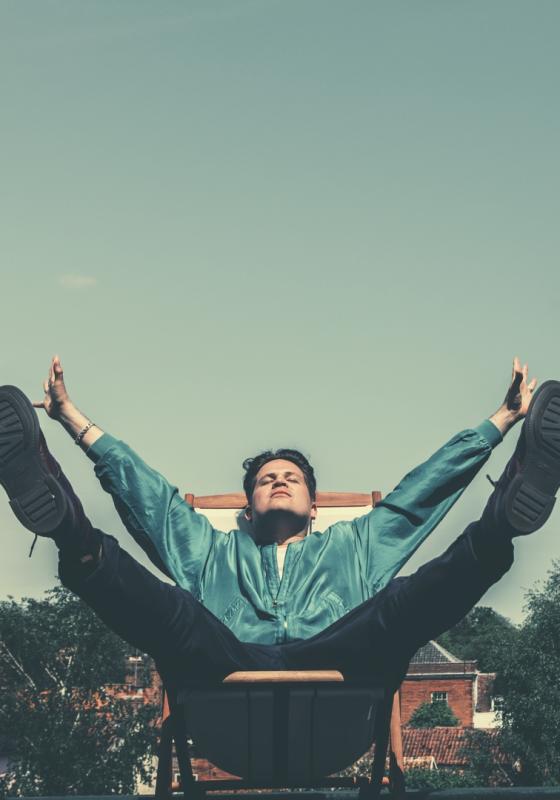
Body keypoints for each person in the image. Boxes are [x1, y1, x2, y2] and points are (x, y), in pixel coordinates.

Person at [1, 356, 559, 699]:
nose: (279, 481)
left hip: (344, 679)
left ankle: (502, 521)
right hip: (224, 679)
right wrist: (72, 418)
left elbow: (420, 494)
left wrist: (502, 421)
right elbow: (152, 500)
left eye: (292, 477)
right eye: (267, 479)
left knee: (396, 607)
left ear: (315, 506)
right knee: (177, 614)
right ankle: (67, 526)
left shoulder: (355, 546)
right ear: (247, 509)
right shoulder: (210, 553)